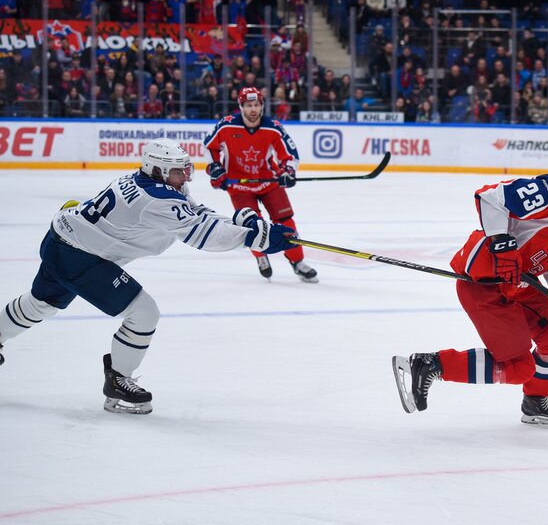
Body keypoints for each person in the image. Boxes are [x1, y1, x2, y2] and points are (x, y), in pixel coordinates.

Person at [0, 139, 296, 414]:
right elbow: (203, 235)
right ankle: (118, 380)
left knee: (40, 304)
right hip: (78, 254)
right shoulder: (154, 199)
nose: (186, 177)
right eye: (179, 172)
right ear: (158, 170)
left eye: (185, 170)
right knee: (143, 313)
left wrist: (241, 224)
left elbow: (196, 213)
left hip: (62, 237)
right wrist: (255, 238)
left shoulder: (154, 183)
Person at [392, 139, 548, 425]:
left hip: (520, 284)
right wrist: (502, 243)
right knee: (519, 368)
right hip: (484, 283)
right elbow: (490, 197)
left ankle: (536, 402)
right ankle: (430, 364)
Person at [204, 87, 318, 282]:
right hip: (239, 186)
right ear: (241, 106)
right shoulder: (226, 126)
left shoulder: (273, 127)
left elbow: (289, 155)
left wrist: (288, 171)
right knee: (252, 225)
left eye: (256, 104)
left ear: (262, 106)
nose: (253, 109)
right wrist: (215, 168)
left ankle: (297, 261)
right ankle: (260, 256)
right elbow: (210, 147)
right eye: (249, 105)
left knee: (286, 221)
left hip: (268, 182)